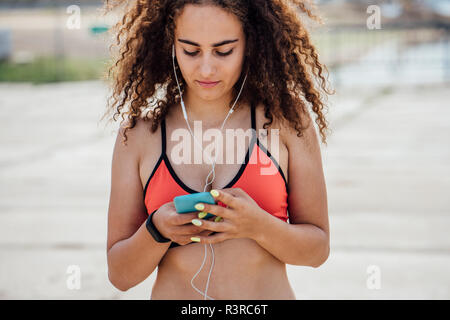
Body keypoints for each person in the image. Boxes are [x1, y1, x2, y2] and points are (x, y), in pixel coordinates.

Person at [102, 0, 333, 300]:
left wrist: (257, 225)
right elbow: (120, 275)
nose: (207, 68)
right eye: (190, 50)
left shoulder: (286, 121)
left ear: (251, 42)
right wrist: (157, 230)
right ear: (169, 43)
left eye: (224, 51)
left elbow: (317, 250)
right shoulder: (138, 136)